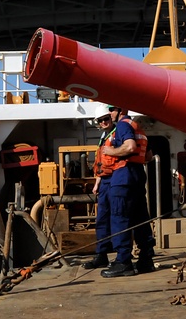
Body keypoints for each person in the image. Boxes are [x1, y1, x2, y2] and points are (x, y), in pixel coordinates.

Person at [98, 105, 153, 277]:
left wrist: (112, 151)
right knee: (140, 218)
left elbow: (129, 147)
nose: (109, 114)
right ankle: (146, 259)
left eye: (111, 110)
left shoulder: (122, 125)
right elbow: (149, 157)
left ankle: (123, 262)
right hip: (137, 175)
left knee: (119, 217)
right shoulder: (138, 127)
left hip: (123, 176)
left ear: (120, 111)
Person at [83, 104, 117, 269]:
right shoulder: (104, 137)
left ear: (111, 117)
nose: (103, 122)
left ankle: (121, 256)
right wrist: (97, 184)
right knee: (102, 219)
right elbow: (101, 164)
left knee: (118, 218)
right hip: (104, 182)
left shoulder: (118, 134)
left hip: (115, 180)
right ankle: (101, 254)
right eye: (101, 120)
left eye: (106, 119)